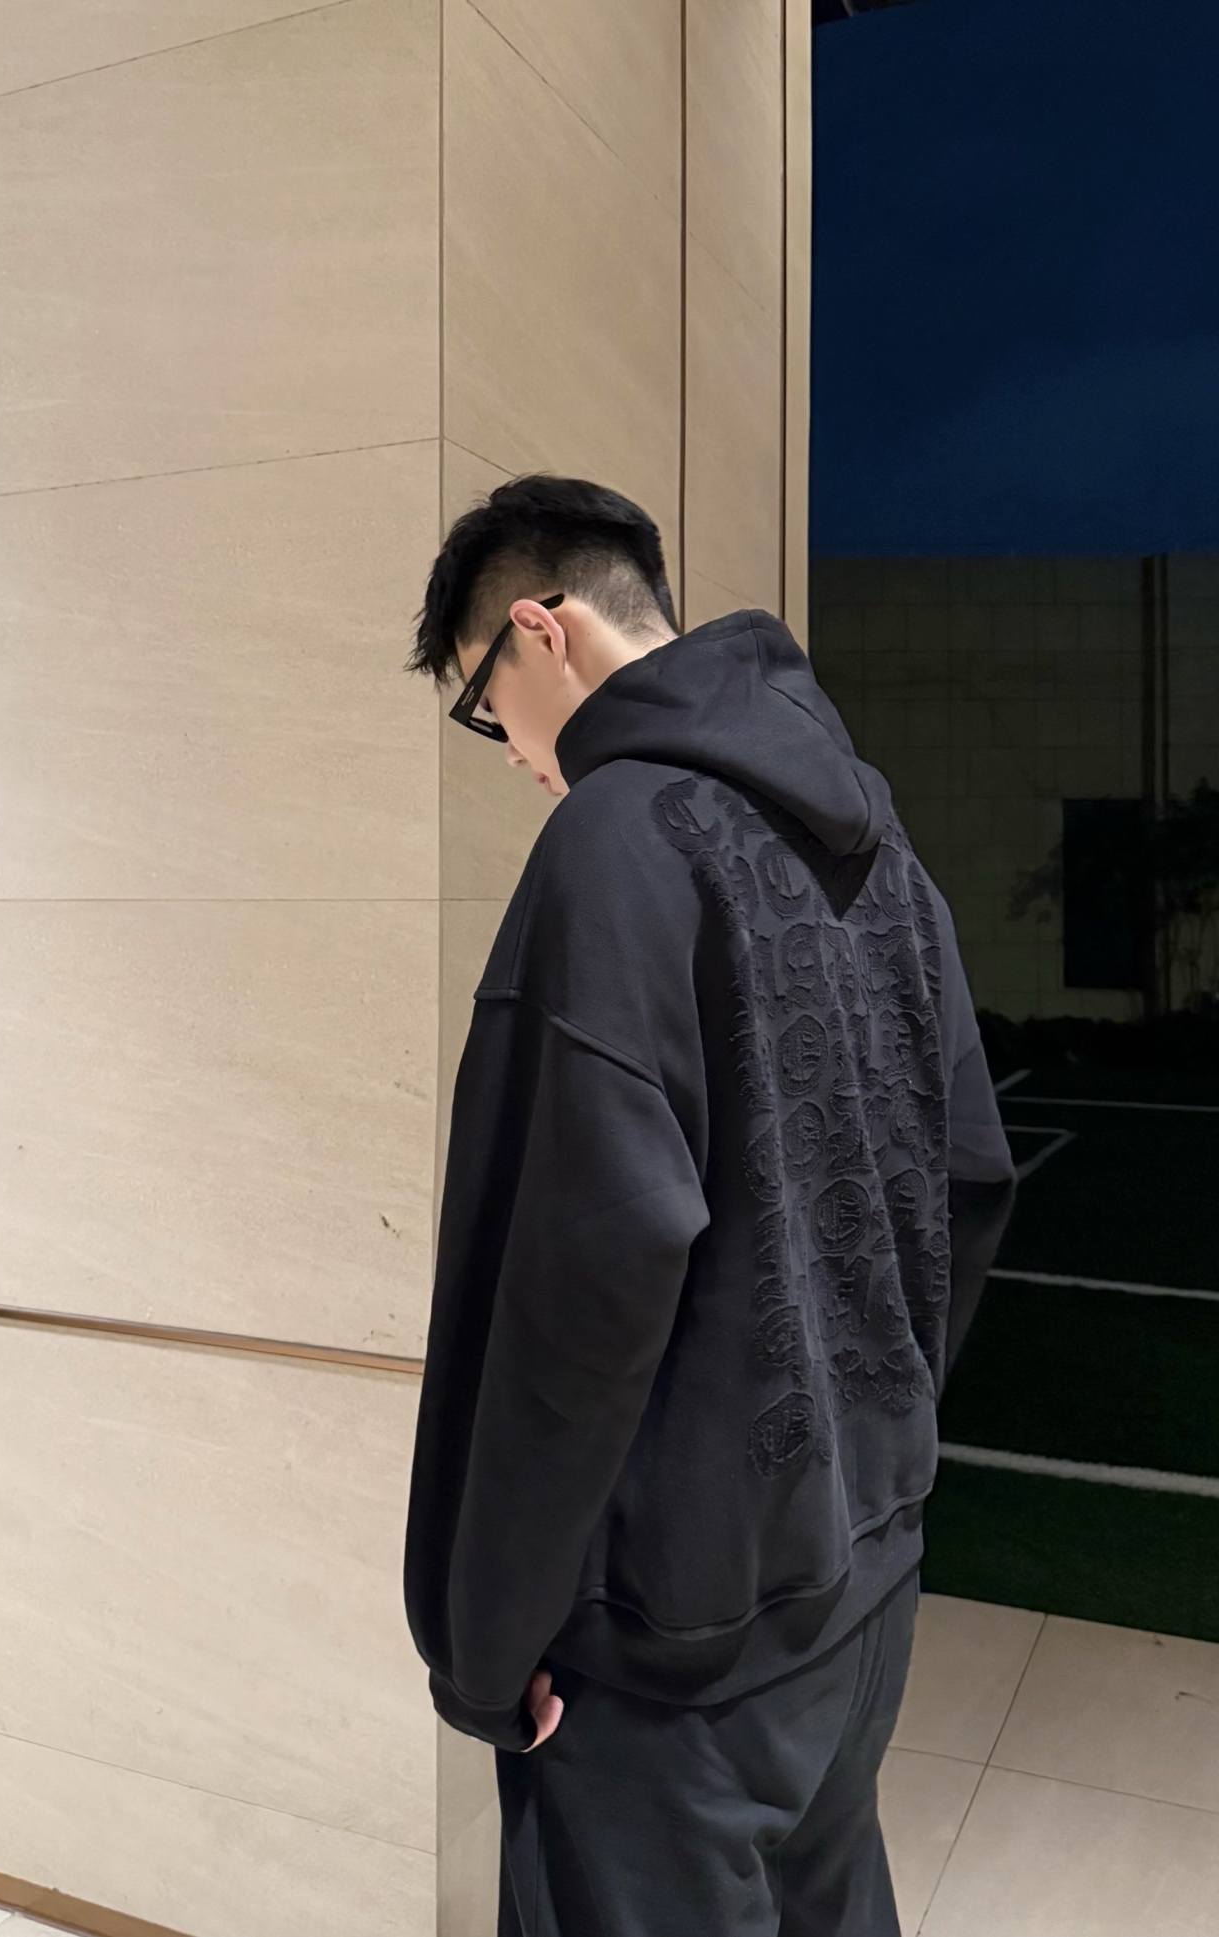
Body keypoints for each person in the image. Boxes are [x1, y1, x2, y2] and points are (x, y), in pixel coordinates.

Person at [402, 475, 1015, 1937]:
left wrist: (485, 1644)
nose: (512, 754)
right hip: (861, 1575)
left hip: (669, 1649)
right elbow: (970, 1177)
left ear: (540, 632)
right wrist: (870, 1451)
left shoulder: (614, 842)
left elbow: (577, 1298)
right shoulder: (875, 840)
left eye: (486, 709)